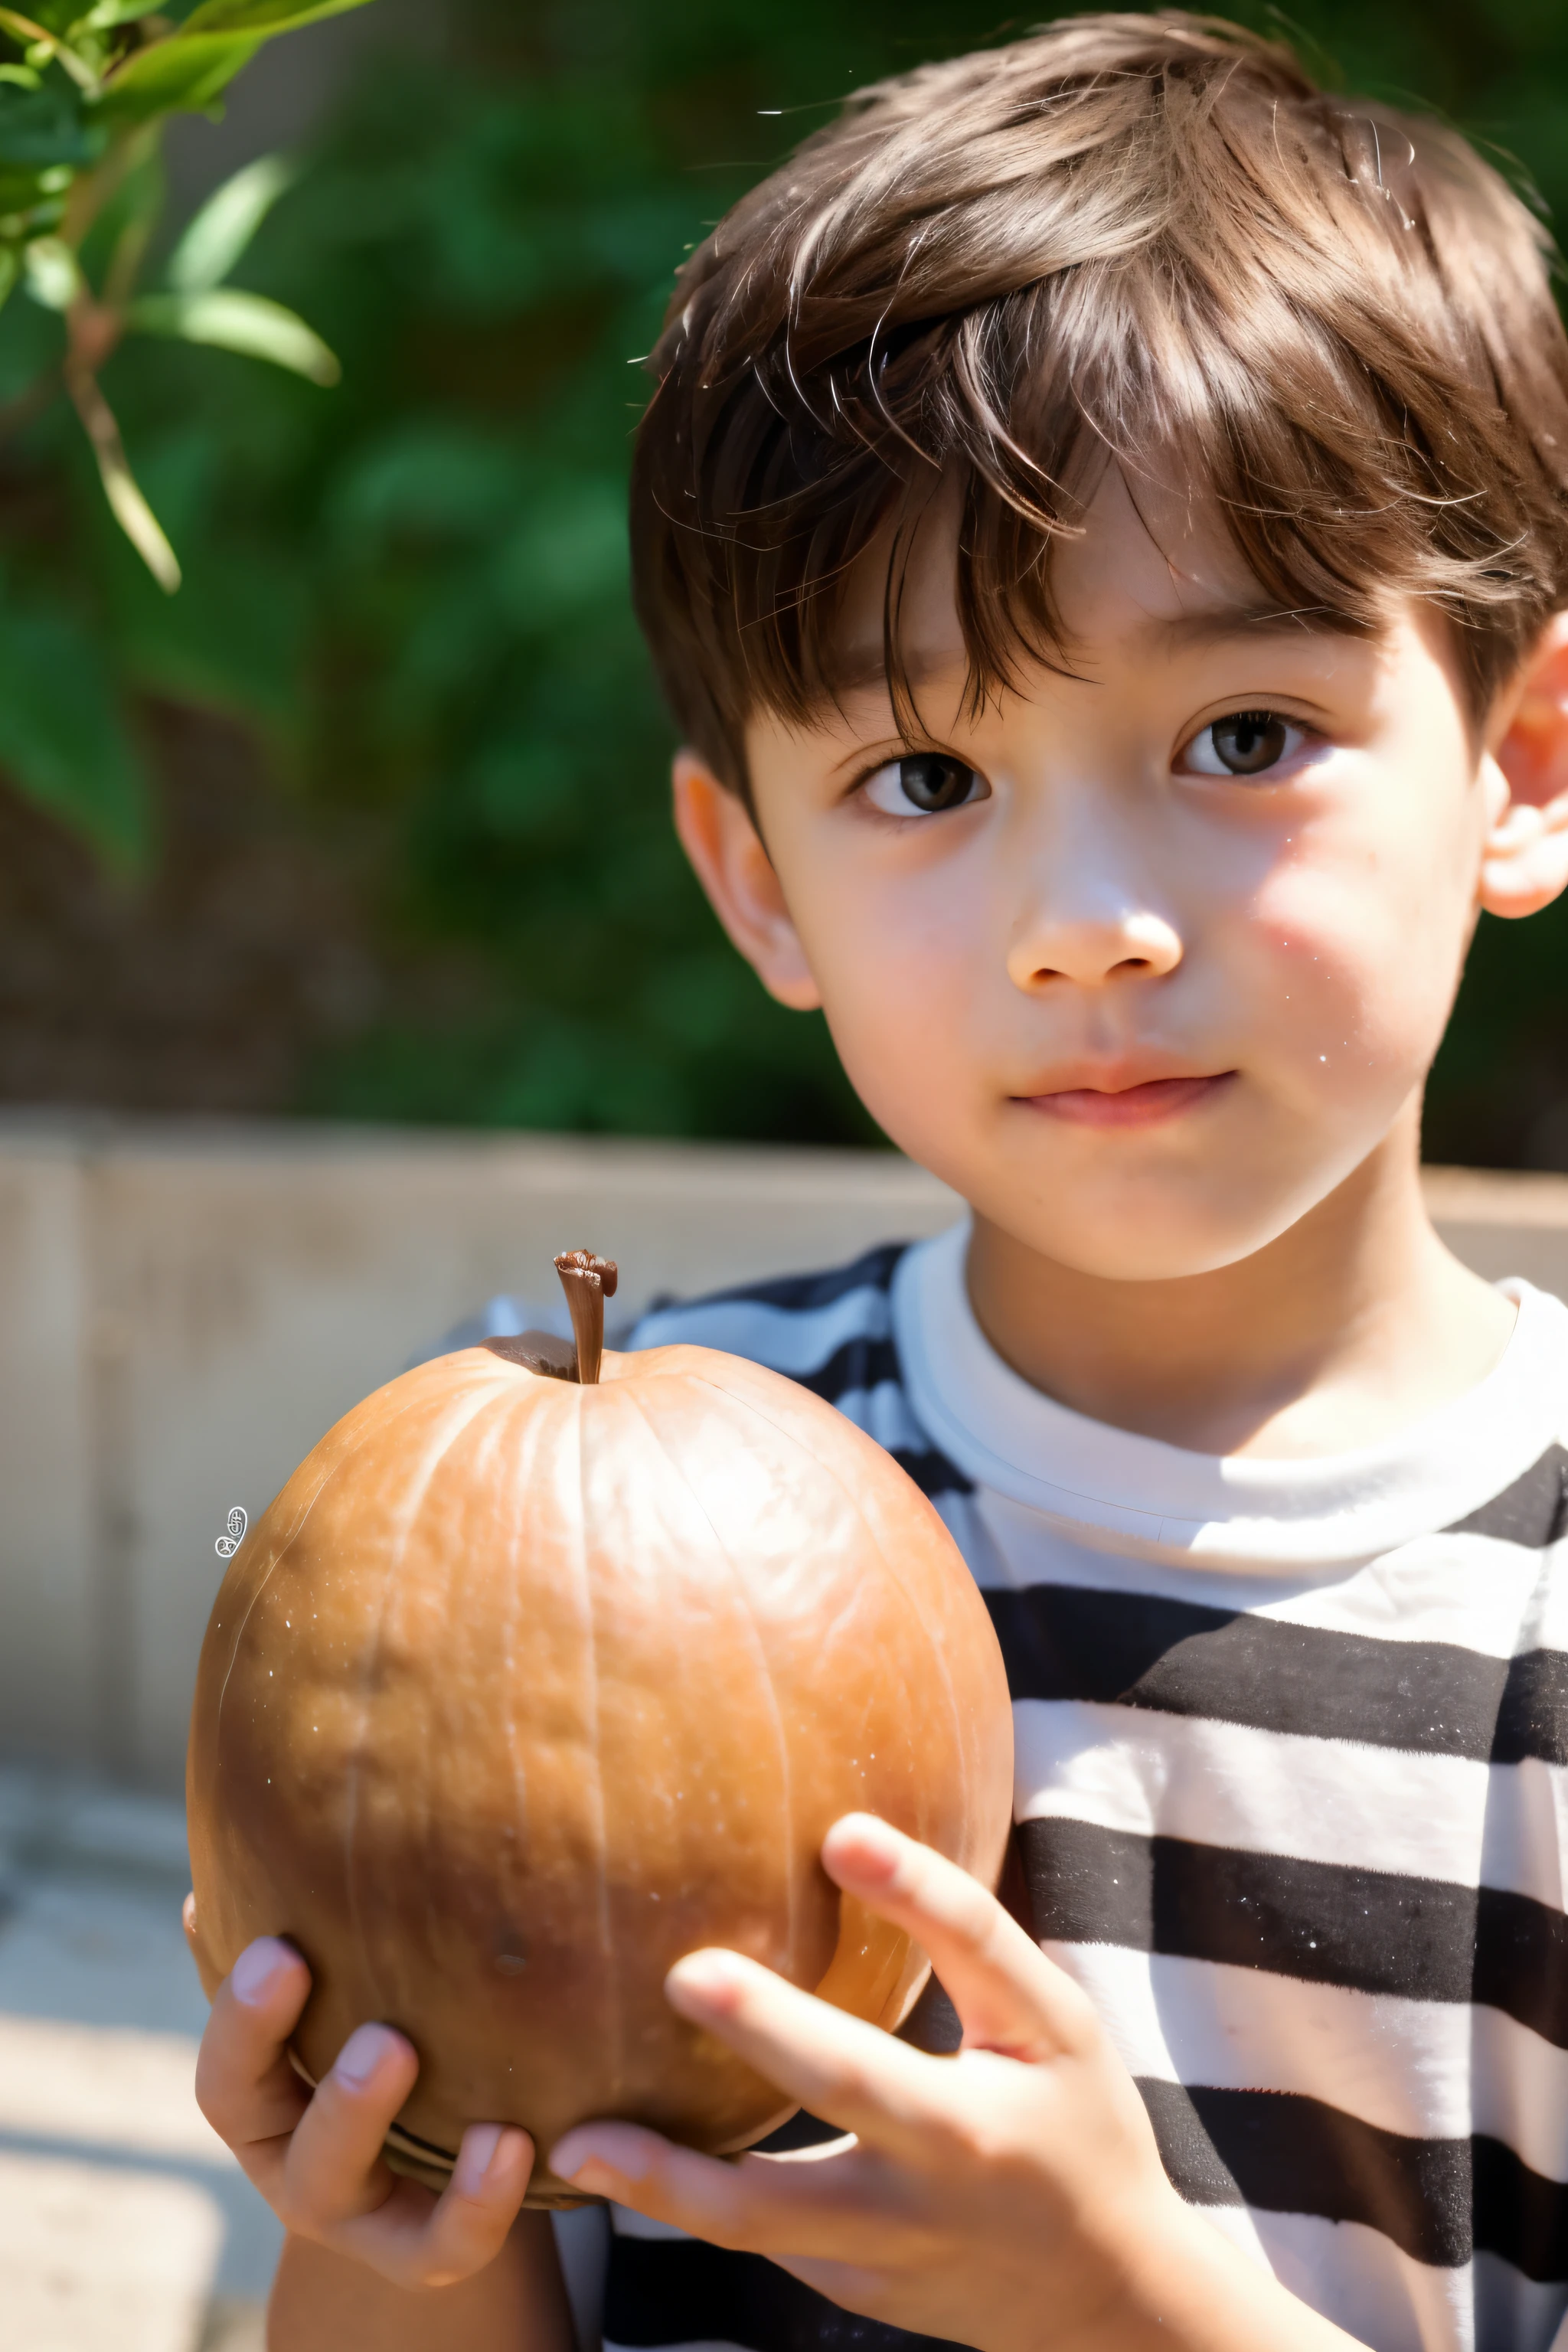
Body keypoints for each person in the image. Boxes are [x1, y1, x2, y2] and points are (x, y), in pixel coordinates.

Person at [190, 14, 1568, 2350]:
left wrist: (1144, 2319)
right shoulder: (578, 1514)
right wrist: (378, 2214)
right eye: (925, 775)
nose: (1084, 918)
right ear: (754, 884)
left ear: (1521, 766)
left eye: (1242, 735)